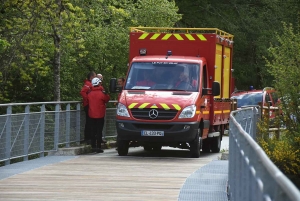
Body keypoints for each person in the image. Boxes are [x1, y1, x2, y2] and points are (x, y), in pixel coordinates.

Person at [88, 77, 110, 153]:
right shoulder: (102, 93)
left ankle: (93, 146)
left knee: (93, 131)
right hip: (100, 115)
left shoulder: (90, 93)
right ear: (98, 83)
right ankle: (98, 147)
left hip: (91, 114)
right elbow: (107, 99)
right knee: (99, 131)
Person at [80, 71, 96, 144]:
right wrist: (88, 99)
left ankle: (90, 137)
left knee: (90, 122)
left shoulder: (90, 84)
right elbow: (82, 92)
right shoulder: (88, 84)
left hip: (90, 105)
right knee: (89, 122)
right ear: (91, 77)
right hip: (88, 105)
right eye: (95, 76)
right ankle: (87, 138)